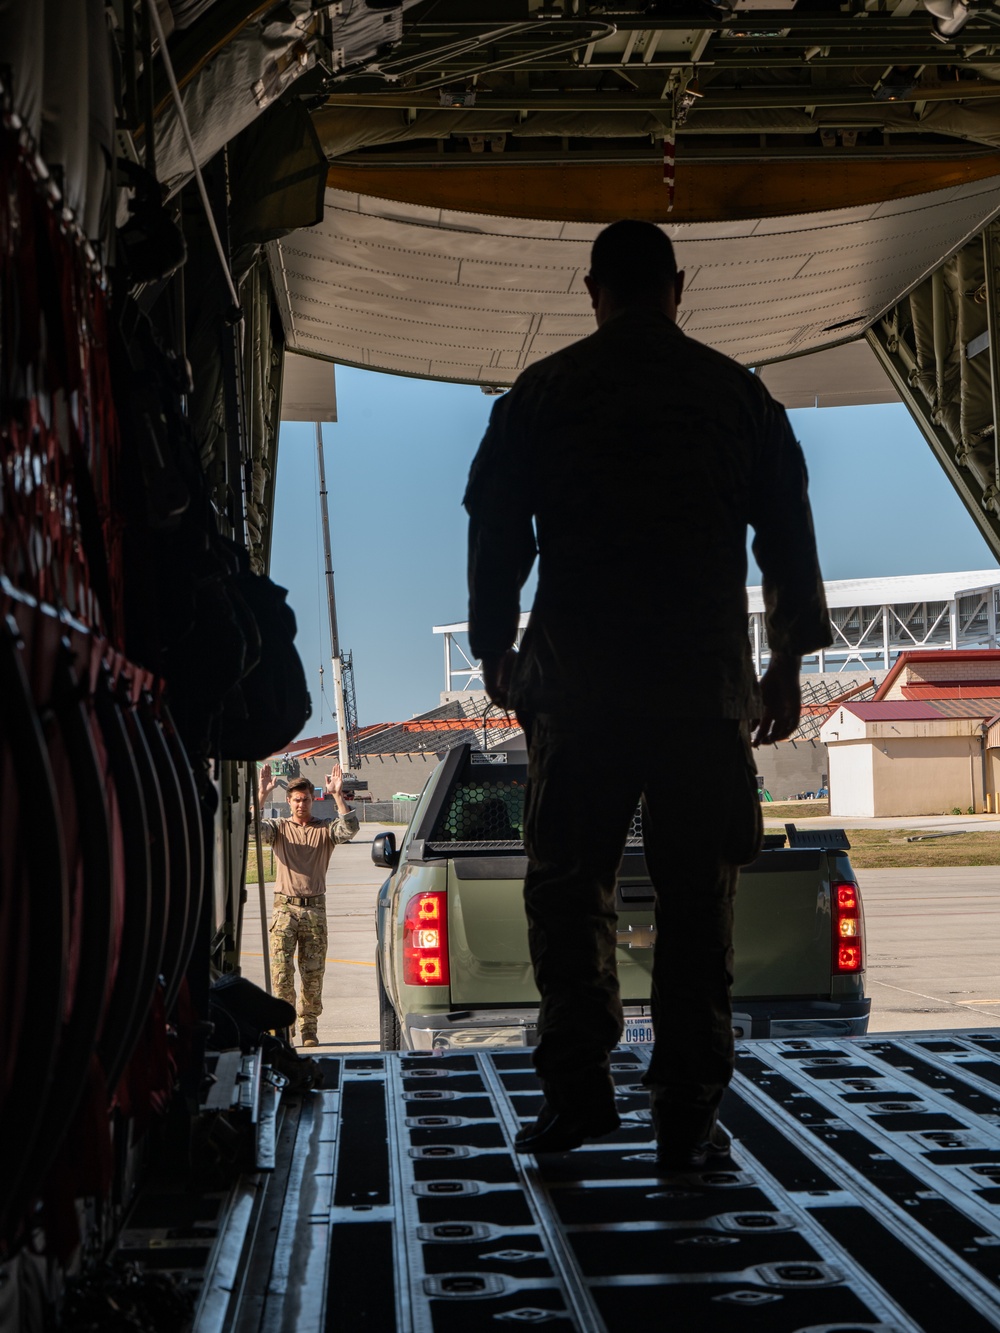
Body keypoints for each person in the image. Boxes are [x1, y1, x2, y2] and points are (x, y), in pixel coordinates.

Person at [463, 218, 832, 1169]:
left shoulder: (542, 395)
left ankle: (580, 1093)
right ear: (680, 286)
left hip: (578, 691)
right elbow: (787, 535)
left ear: (594, 293)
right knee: (697, 904)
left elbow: (496, 531)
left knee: (568, 891)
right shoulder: (737, 398)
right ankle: (686, 1113)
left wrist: (496, 649)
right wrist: (783, 665)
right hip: (699, 696)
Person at [257, 763, 359, 1047]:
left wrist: (338, 795)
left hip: (314, 910)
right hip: (284, 910)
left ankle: (309, 1027)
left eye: (305, 799)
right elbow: (251, 830)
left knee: (312, 974)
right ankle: (283, 1026)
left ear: (313, 800)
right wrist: (262, 794)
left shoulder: (324, 830)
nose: (301, 804)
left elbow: (349, 829)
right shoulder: (278, 829)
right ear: (288, 802)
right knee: (281, 974)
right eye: (296, 799)